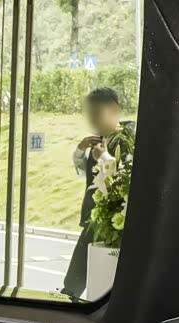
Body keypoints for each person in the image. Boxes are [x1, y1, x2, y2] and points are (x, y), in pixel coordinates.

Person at [61, 87, 125, 299]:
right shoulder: (98, 141)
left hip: (115, 224)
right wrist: (81, 150)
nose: (93, 120)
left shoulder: (126, 140)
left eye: (97, 113)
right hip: (94, 218)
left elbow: (124, 179)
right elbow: (85, 174)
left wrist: (104, 157)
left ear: (114, 110)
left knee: (102, 281)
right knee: (75, 279)